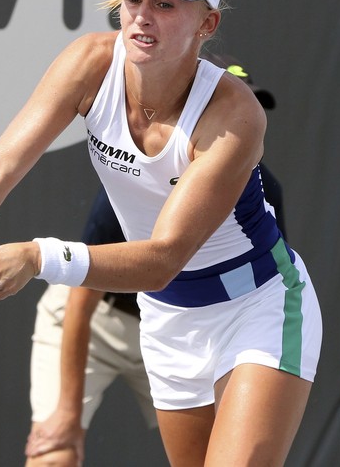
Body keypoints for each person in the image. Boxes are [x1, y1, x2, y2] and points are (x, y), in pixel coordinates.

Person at [0, 0, 322, 466]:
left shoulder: (234, 115)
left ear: (206, 24)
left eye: (165, 4)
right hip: (168, 318)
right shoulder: (89, 65)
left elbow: (164, 256)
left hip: (258, 309)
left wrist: (36, 255)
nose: (142, 17)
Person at [24, 55, 287, 467]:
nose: (232, 133)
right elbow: (81, 299)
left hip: (186, 324)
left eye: (249, 114)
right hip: (95, 316)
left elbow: (260, 277)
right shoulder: (143, 179)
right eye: (219, 121)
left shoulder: (264, 190)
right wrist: (68, 414)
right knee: (53, 453)